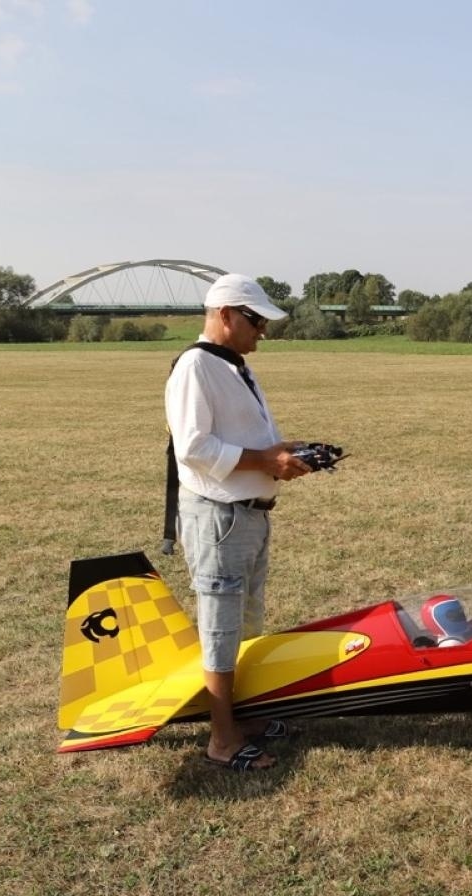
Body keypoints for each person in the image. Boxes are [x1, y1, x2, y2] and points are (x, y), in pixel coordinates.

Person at [166, 273, 312, 771]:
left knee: (246, 623)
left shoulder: (232, 367)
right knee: (221, 628)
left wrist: (283, 456)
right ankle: (221, 739)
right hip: (220, 518)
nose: (262, 332)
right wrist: (265, 461)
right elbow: (193, 448)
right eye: (255, 320)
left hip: (247, 515)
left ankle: (242, 716)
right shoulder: (196, 366)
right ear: (225, 315)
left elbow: (246, 439)